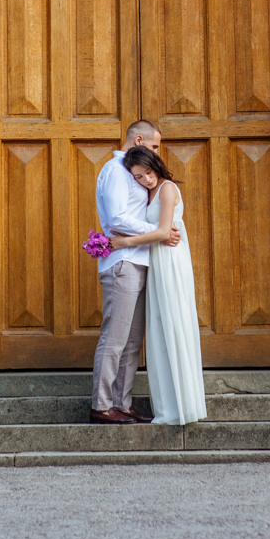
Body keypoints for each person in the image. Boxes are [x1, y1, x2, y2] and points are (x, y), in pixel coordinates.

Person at [90, 120, 180, 425]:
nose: (156, 152)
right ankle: (101, 405)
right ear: (139, 140)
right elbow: (116, 218)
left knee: (131, 342)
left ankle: (122, 403)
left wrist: (156, 233)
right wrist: (157, 231)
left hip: (140, 262)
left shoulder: (133, 172)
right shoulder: (116, 170)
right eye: (154, 145)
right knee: (114, 338)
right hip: (123, 263)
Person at [110, 148, 206, 426]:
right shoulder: (148, 194)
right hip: (156, 262)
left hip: (171, 263)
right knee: (159, 330)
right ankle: (169, 405)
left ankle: (182, 406)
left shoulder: (167, 189)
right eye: (138, 177)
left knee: (173, 325)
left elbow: (164, 232)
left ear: (156, 165)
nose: (146, 180)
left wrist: (123, 242)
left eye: (148, 173)